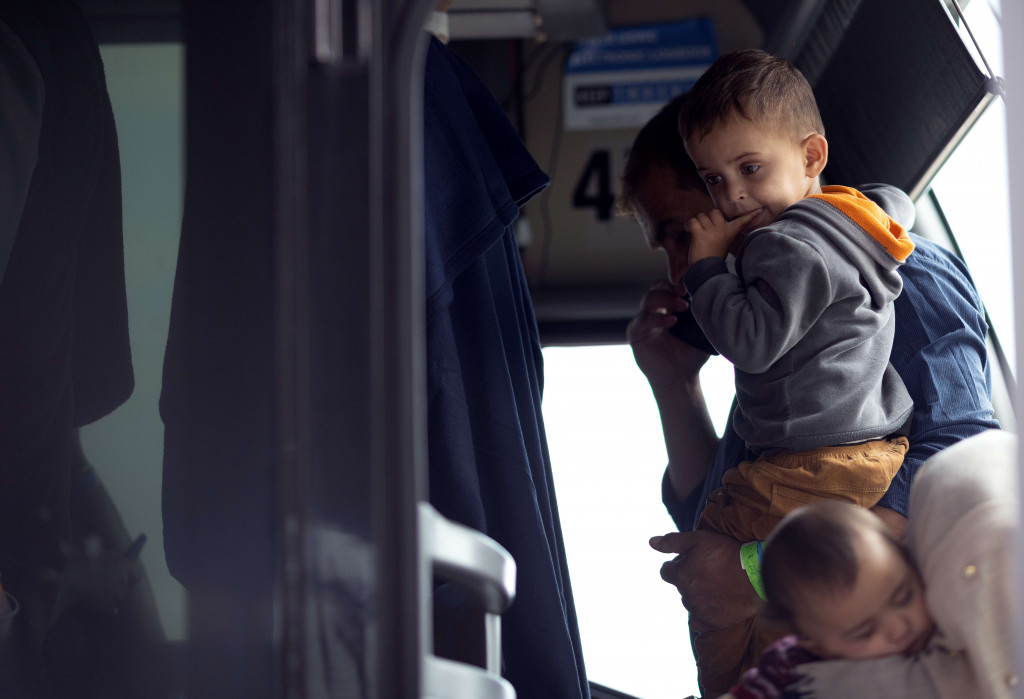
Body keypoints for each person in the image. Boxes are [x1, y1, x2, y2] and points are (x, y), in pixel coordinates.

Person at [621, 91, 999, 694]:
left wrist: (756, 577)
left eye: (680, 233)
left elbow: (959, 455)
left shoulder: (900, 270)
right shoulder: (780, 351)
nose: (677, 271)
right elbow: (712, 530)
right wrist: (674, 383)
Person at [725, 429, 1018, 698]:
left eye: (903, 597)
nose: (900, 627)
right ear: (813, 642)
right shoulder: (789, 668)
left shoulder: (947, 611)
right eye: (864, 632)